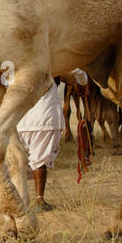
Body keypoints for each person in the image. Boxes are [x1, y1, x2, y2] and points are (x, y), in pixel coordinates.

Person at [16, 70, 81, 212]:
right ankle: (39, 200)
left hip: (19, 118)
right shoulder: (50, 60)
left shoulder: (14, 62)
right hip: (44, 116)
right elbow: (75, 76)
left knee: (18, 160)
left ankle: (20, 199)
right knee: (39, 160)